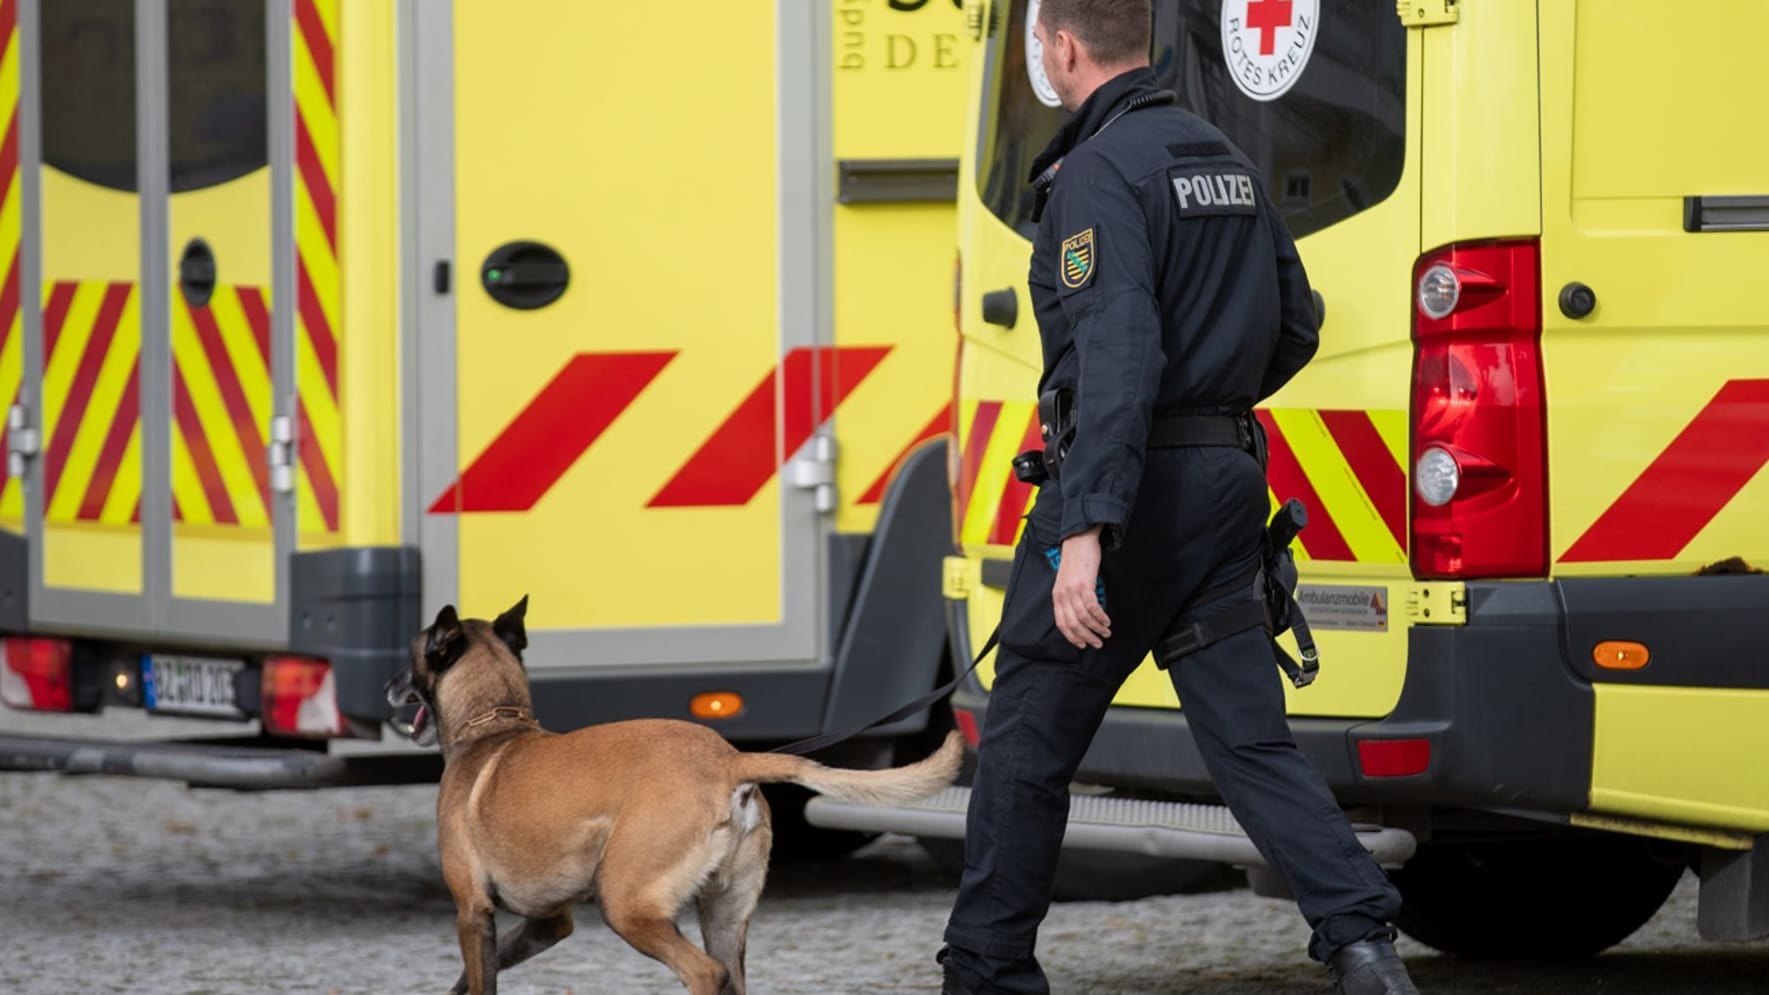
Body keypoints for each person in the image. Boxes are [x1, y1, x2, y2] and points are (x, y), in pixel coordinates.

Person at [936, 3, 1420, 994]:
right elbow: (1295, 324)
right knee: (1248, 739)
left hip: (1131, 492)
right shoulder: (1227, 160)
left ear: (1062, 47)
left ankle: (984, 972)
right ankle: (1361, 942)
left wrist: (1086, 529)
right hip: (1221, 485)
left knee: (1025, 740)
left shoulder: (1098, 174)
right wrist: (1212, 407)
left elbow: (1115, 354)